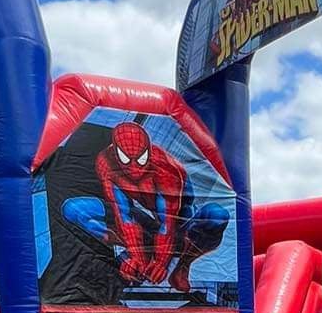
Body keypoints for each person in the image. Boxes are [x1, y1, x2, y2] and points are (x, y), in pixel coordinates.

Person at [62, 120, 228, 295]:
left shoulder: (166, 169)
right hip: (147, 223)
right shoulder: (106, 162)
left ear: (148, 151)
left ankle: (182, 266)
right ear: (116, 153)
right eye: (126, 159)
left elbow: (168, 222)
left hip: (180, 224)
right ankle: (134, 254)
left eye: (140, 159)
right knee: (73, 209)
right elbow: (122, 213)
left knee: (217, 215)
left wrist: (161, 263)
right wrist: (136, 255)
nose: (134, 168)